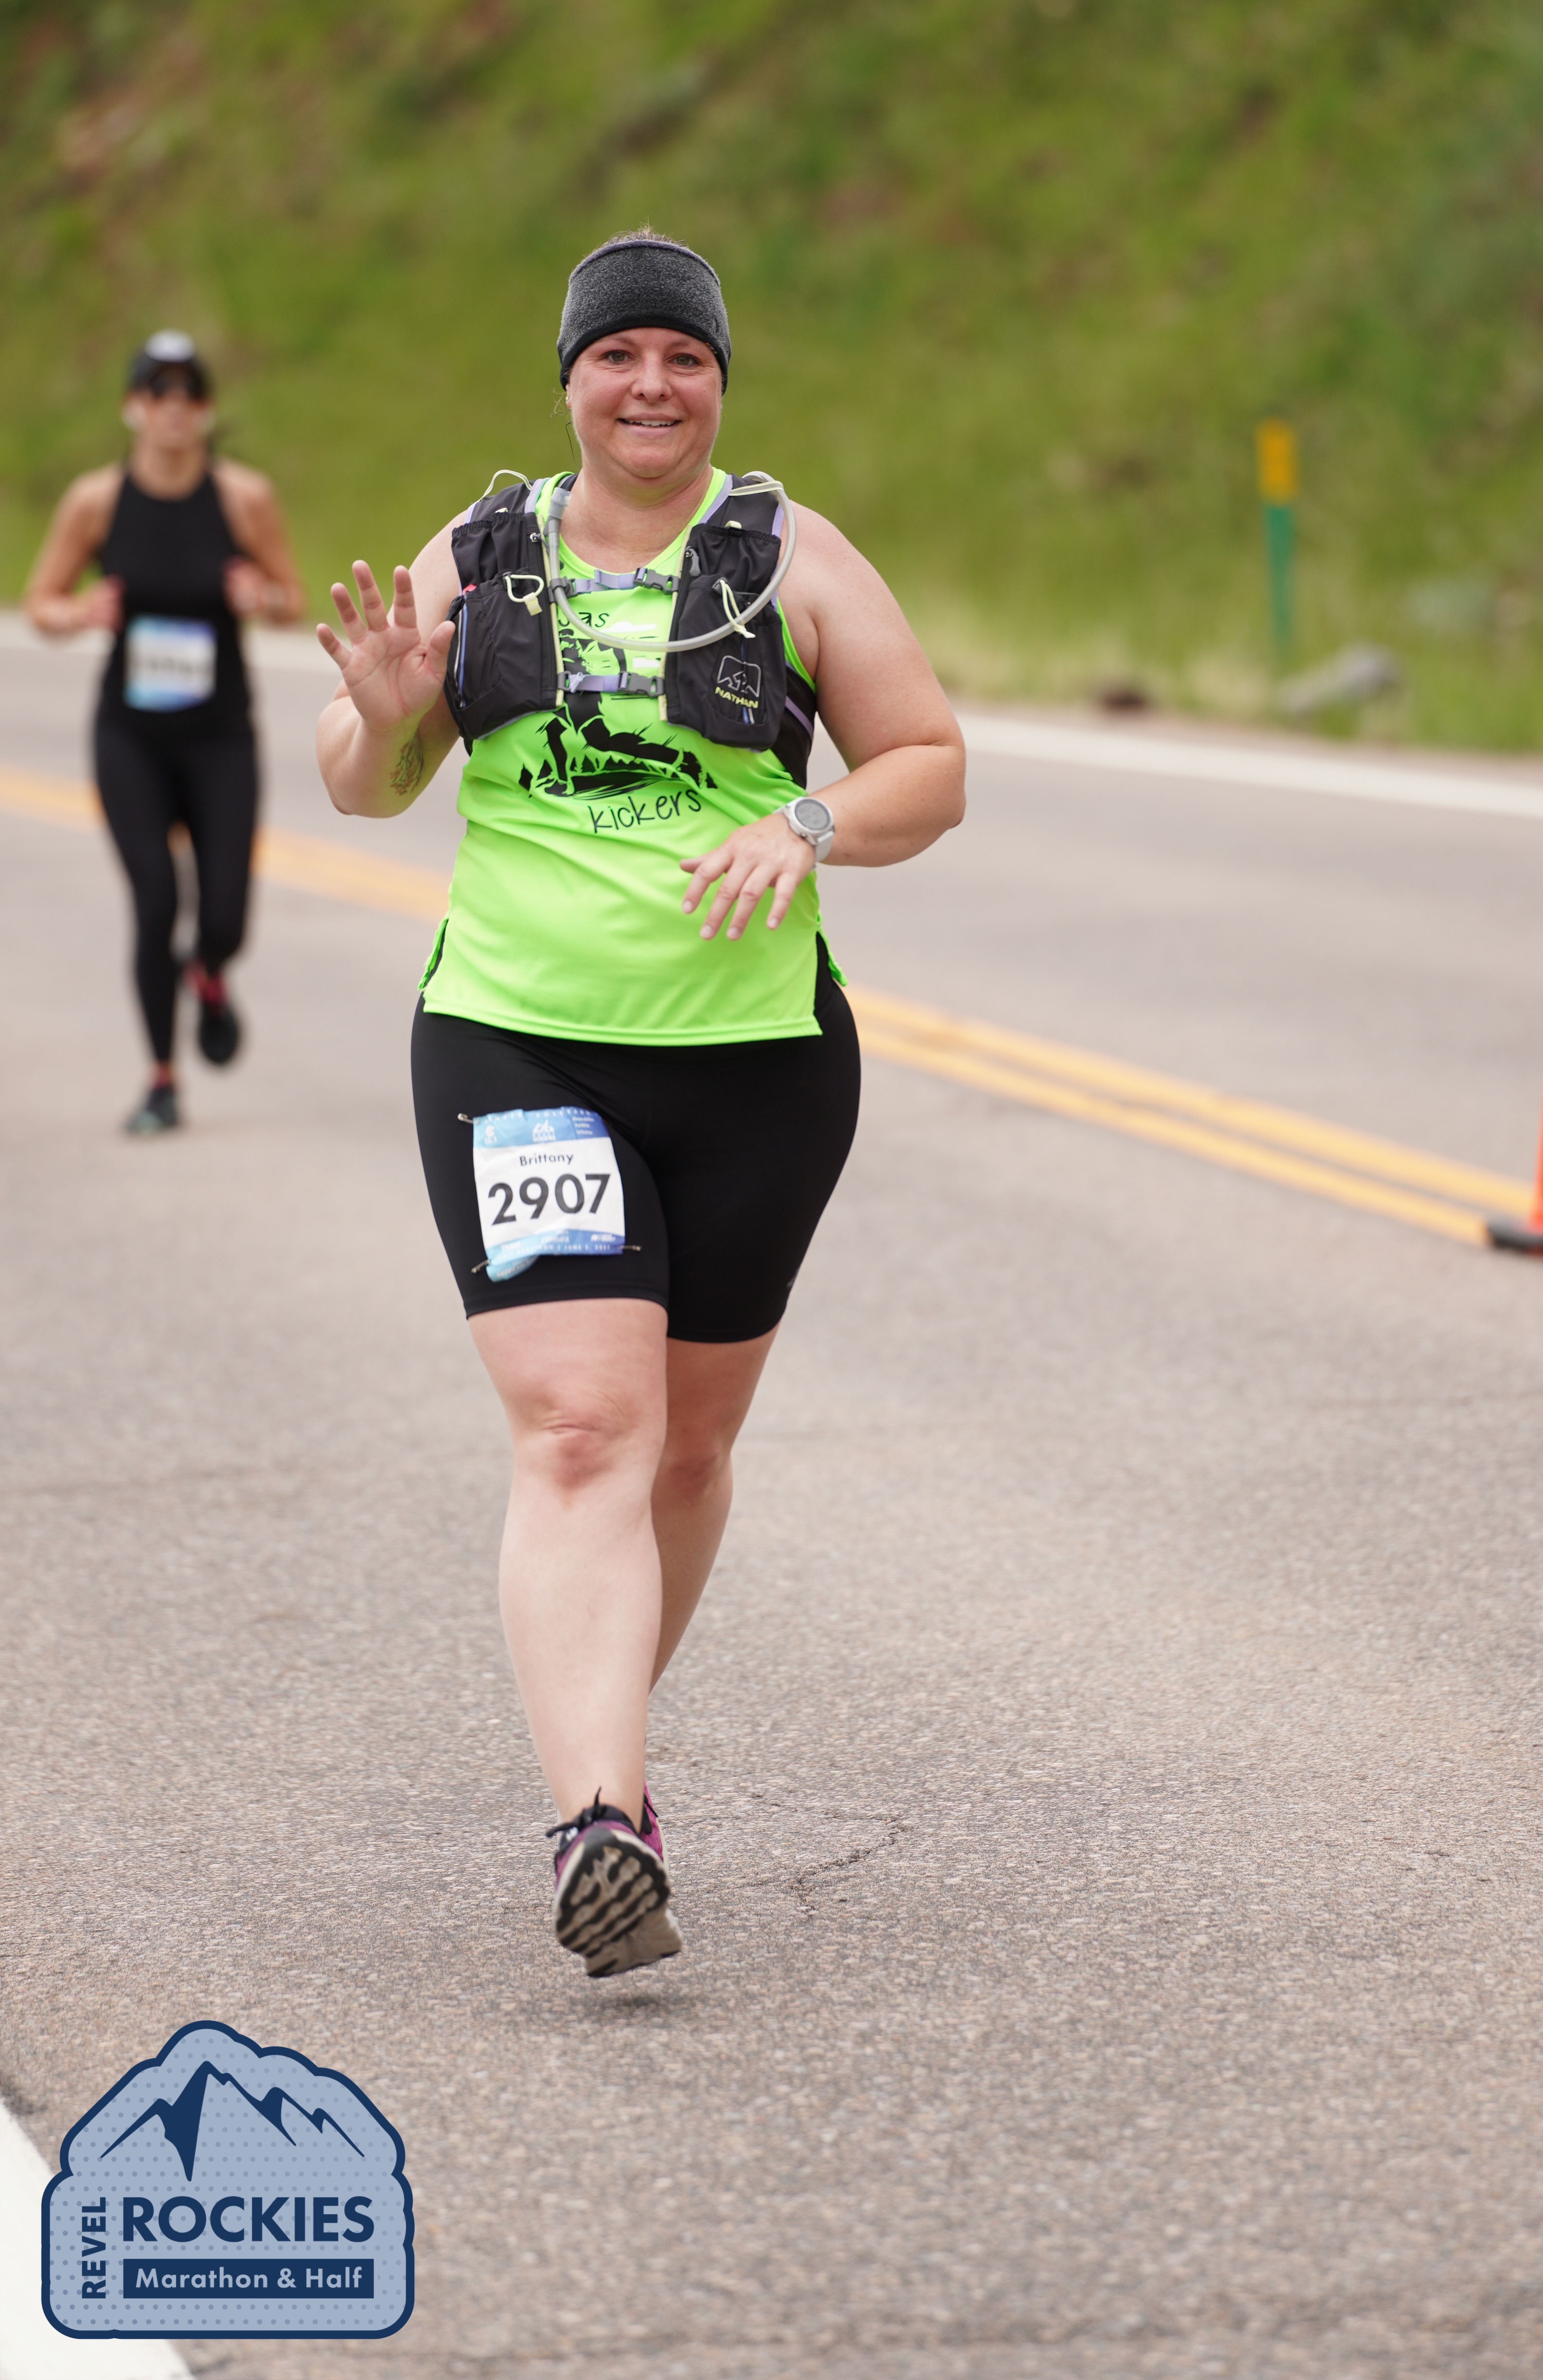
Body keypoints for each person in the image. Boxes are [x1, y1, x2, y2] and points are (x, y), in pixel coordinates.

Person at [315, 231, 965, 1977]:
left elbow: (927, 768)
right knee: (583, 1430)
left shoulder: (790, 556)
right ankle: (600, 1819)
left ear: (719, 384)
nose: (652, 385)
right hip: (517, 1046)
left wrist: (808, 823)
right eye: (618, 356)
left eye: (685, 357)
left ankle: (599, 1733)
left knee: (683, 1448)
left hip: (756, 1063)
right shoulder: (484, 554)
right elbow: (364, 783)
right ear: (571, 382)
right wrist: (381, 719)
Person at [25, 330, 304, 1134]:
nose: (174, 409)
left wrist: (261, 598)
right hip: (132, 738)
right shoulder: (96, 501)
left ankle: (208, 972)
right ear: (132, 407)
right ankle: (160, 1080)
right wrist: (80, 612)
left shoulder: (243, 498)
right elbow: (41, 602)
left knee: (225, 918)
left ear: (207, 409)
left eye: (189, 393)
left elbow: (290, 598)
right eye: (158, 392)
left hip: (220, 737)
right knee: (155, 899)